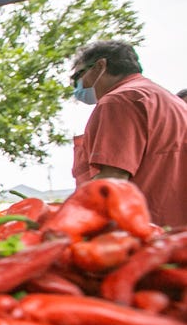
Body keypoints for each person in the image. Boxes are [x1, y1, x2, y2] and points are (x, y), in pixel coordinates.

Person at [69, 40, 187, 227]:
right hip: (176, 232)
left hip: (146, 231)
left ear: (100, 66)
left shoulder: (119, 100)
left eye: (78, 76)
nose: (76, 86)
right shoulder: (167, 100)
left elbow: (111, 180)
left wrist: (63, 218)